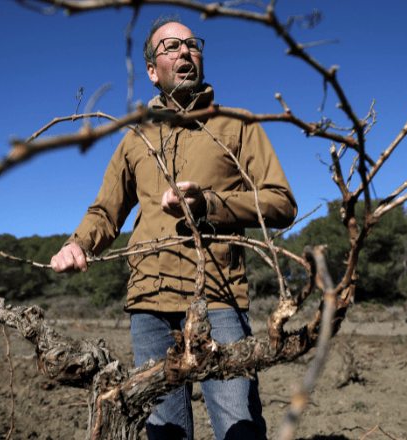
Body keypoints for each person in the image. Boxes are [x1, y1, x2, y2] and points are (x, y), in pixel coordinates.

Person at [50, 16, 297, 440]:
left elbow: (281, 202)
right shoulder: (136, 137)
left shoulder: (237, 124)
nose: (184, 52)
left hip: (218, 299)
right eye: (170, 47)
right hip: (148, 302)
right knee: (165, 432)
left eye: (191, 44)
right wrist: (78, 244)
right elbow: (105, 213)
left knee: (239, 426)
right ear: (152, 70)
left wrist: (211, 204)